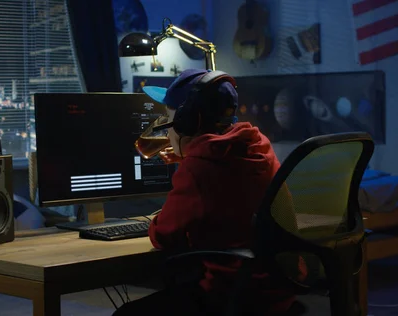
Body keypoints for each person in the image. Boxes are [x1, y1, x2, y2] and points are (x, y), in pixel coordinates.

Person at [112, 69, 306, 316]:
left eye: (168, 120)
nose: (166, 131)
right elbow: (228, 186)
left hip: (235, 294)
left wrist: (185, 174)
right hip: (279, 288)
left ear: (186, 122)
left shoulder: (199, 168)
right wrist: (189, 158)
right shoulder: (257, 145)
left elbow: (163, 236)